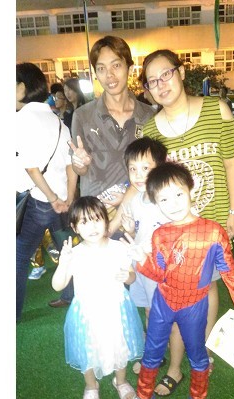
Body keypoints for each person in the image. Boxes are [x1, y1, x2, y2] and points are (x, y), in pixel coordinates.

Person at [139, 49, 234, 396]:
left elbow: (231, 164)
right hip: (175, 228)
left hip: (212, 222)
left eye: (166, 74)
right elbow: (147, 180)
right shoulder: (150, 129)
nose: (161, 84)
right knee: (176, 290)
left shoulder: (217, 110)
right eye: (152, 81)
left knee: (206, 287)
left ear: (181, 72)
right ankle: (175, 365)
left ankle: (204, 352)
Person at [122, 162, 234, 399]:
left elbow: (229, 270)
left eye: (178, 194)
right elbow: (160, 274)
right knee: (152, 351)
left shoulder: (213, 232)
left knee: (198, 354)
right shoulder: (160, 234)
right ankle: (144, 395)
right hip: (163, 303)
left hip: (194, 306)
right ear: (156, 202)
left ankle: (198, 398)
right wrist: (141, 260)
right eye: (163, 199)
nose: (172, 204)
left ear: (191, 189)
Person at [49, 35, 155, 309]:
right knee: (102, 289)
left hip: (138, 212)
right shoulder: (83, 115)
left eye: (116, 65)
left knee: (143, 281)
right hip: (97, 217)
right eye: (101, 68)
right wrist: (80, 162)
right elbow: (79, 166)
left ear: (129, 66)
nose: (110, 75)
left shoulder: (149, 115)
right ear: (95, 73)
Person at [52, 196, 145, 399]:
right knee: (88, 349)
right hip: (87, 312)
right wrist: (63, 263)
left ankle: (120, 381)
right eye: (84, 222)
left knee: (120, 346)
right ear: (75, 227)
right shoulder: (74, 254)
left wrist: (128, 277)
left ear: (106, 220)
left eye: (96, 219)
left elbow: (132, 276)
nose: (92, 227)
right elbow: (57, 285)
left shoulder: (119, 248)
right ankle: (91, 385)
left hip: (116, 309)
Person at [16, 62, 77, 323]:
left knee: (18, 256)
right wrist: (67, 199)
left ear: (22, 87)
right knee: (67, 251)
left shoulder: (19, 120)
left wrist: (52, 199)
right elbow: (71, 165)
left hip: (39, 202)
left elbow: (31, 168)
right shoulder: (58, 121)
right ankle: (72, 296)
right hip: (61, 201)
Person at [107, 137, 170, 374]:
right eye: (133, 169)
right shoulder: (134, 200)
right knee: (146, 308)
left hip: (156, 266)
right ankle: (154, 346)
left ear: (160, 167)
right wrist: (130, 230)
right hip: (139, 265)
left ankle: (155, 354)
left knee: (157, 311)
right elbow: (138, 231)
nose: (138, 174)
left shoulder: (166, 200)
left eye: (145, 168)